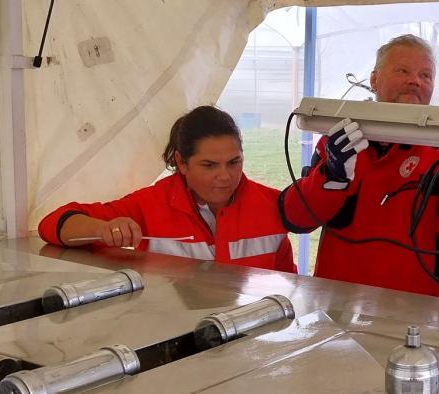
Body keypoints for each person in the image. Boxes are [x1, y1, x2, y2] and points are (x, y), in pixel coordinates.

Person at [278, 34, 439, 299]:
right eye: (403, 71)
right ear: (374, 80)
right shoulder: (341, 140)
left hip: (417, 308)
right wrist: (332, 177)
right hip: (340, 303)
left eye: (425, 75)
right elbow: (295, 218)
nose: (415, 81)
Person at [38, 106, 295, 273]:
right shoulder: (151, 204)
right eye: (209, 165)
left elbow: (290, 287)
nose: (225, 176)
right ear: (181, 162)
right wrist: (102, 229)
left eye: (234, 162)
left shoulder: (274, 205)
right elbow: (52, 225)